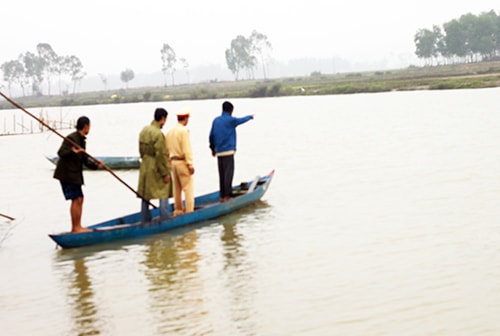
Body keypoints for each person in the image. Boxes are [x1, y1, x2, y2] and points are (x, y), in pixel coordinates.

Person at [53, 116, 102, 233]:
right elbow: (61, 153)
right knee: (76, 199)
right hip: (67, 174)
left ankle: (78, 226)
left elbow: (84, 160)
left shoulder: (81, 140)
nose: (89, 128)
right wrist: (72, 151)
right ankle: (75, 228)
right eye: (89, 126)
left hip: (74, 174)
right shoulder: (72, 138)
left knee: (80, 199)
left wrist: (96, 165)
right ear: (85, 126)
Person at [209, 101, 254, 202]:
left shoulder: (216, 120)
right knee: (228, 174)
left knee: (222, 174)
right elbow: (241, 120)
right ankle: (227, 196)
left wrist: (212, 149)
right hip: (228, 151)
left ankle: (221, 196)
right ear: (231, 111)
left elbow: (211, 136)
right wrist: (250, 117)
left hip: (219, 152)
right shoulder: (231, 120)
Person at [137, 108, 172, 223]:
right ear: (162, 119)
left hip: (145, 164)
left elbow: (141, 150)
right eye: (165, 120)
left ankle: (145, 220)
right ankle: (165, 219)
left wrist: (145, 160)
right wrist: (165, 173)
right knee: (164, 190)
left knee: (145, 193)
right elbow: (161, 155)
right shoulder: (158, 134)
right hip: (155, 165)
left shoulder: (144, 130)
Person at [165, 108, 195, 215]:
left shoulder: (169, 132)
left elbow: (166, 150)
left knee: (176, 188)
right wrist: (190, 164)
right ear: (185, 119)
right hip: (182, 162)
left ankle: (178, 210)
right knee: (188, 187)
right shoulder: (184, 131)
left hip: (173, 162)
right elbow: (186, 149)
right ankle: (189, 211)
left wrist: (168, 163)